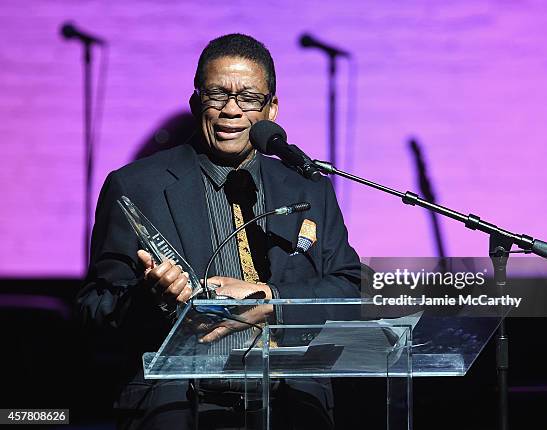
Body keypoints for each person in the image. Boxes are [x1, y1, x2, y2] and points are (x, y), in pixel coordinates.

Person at [78, 33, 362, 429]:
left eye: (248, 98)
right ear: (197, 103)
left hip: (291, 403)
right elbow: (95, 308)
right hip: (178, 402)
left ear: (271, 109)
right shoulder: (136, 186)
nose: (231, 110)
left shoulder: (308, 187)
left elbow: (350, 289)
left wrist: (271, 300)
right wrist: (156, 298)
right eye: (217, 95)